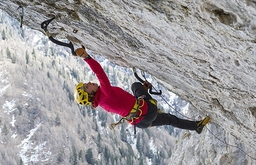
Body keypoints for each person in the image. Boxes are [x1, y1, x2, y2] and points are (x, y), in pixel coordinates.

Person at [73, 48, 210, 133]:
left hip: (141, 122)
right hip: (147, 109)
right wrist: (86, 57)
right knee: (135, 86)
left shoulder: (102, 102)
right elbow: (100, 73)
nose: (89, 83)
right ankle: (145, 91)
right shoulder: (105, 93)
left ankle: (196, 127)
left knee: (169, 119)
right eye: (87, 86)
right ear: (90, 94)